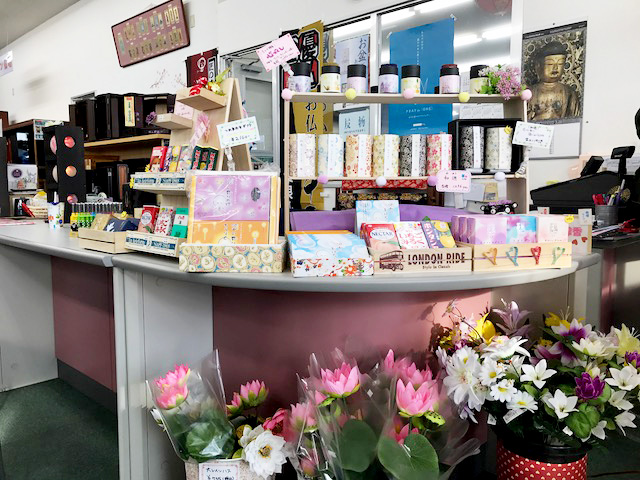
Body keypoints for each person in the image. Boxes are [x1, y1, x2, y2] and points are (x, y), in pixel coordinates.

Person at [527, 41, 581, 121]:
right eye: (550, 64)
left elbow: (575, 118)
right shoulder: (529, 92)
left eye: (560, 64)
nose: (555, 68)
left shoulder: (569, 93)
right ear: (538, 66)